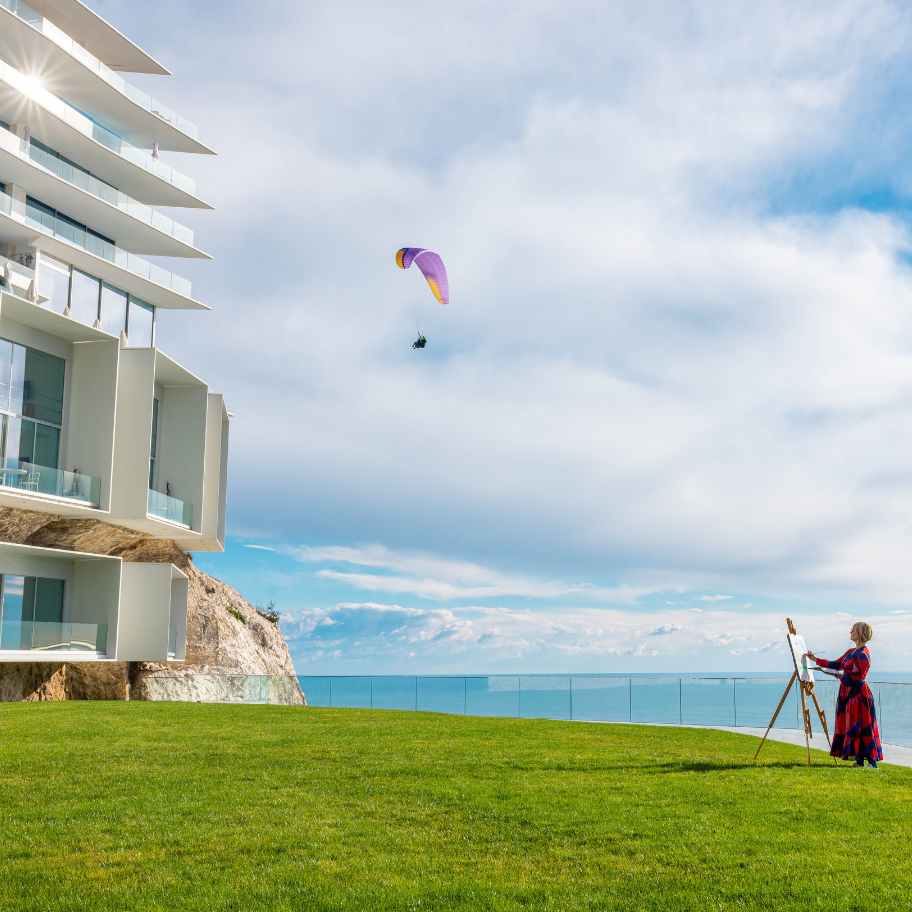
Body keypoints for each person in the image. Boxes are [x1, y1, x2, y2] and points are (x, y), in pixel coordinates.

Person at [806, 622, 882, 769]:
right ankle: (860, 762)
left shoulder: (863, 655)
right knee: (853, 727)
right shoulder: (850, 652)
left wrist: (838, 676)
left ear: (859, 633)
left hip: (859, 695)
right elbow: (836, 664)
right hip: (847, 694)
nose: (850, 631)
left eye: (852, 630)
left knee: (863, 728)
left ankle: (873, 764)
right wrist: (815, 659)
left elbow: (857, 678)